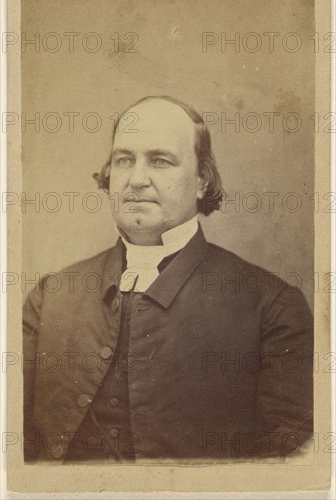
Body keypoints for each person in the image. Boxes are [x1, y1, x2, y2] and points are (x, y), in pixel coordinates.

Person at [23, 95, 313, 462]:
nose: (137, 179)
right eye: (124, 160)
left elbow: (292, 465)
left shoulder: (272, 306)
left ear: (202, 181)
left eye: (160, 161)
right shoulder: (52, 295)